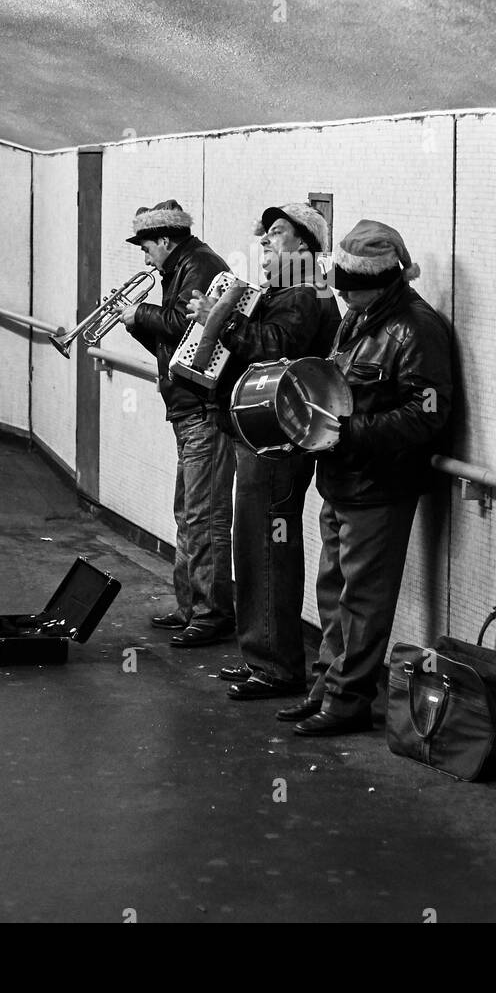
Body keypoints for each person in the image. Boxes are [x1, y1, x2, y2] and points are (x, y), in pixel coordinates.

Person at [276, 218, 453, 736]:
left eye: (353, 289)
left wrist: (350, 434)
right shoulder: (362, 316)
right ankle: (326, 687)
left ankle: (348, 699)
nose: (344, 298)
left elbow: (428, 414)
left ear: (385, 281)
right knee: (333, 591)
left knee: (362, 601)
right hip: (343, 478)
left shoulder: (417, 329)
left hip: (379, 485)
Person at [187, 203, 340, 699]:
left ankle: (275, 665)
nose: (266, 243)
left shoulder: (305, 292)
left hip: (278, 440)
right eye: (265, 235)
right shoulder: (286, 290)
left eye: (277, 233)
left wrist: (220, 321)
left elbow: (272, 347)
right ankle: (261, 653)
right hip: (261, 433)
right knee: (253, 544)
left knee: (268, 548)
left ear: (307, 244)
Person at [120, 199, 236, 647]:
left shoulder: (200, 265)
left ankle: (211, 615)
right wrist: (136, 326)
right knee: (188, 513)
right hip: (188, 409)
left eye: (146, 245)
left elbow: (189, 326)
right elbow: (177, 351)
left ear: (166, 240)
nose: (143, 255)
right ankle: (193, 607)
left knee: (203, 516)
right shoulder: (180, 268)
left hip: (204, 412)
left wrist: (140, 313)